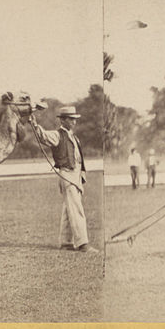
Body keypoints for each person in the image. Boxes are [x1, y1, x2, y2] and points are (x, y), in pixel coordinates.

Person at [31, 106, 98, 253]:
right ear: (63, 120)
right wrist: (34, 124)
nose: (74, 122)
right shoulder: (57, 135)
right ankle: (82, 243)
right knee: (76, 209)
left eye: (75, 119)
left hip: (76, 175)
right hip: (67, 174)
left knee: (69, 209)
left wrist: (82, 174)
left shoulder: (74, 138)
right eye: (71, 119)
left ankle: (66, 242)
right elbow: (42, 136)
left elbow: (78, 158)